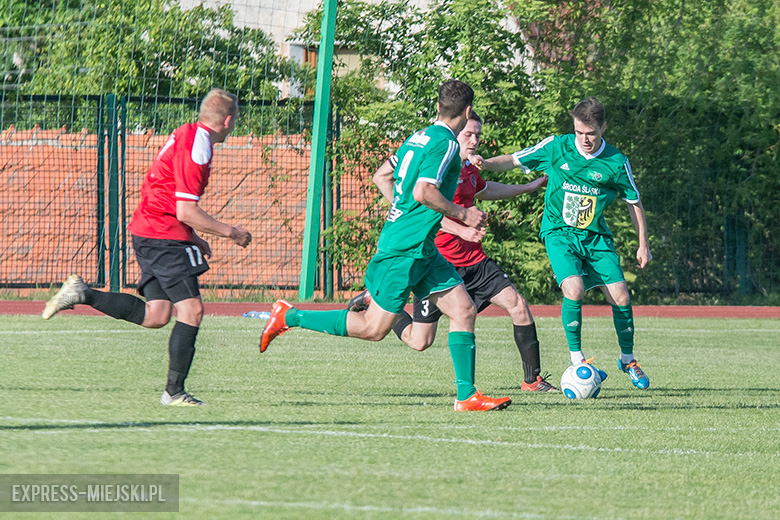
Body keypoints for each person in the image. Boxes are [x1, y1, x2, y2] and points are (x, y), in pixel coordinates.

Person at [260, 80, 511, 411]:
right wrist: (463, 213)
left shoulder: (417, 138)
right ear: (467, 112)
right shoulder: (447, 145)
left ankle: (466, 396)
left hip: (422, 249)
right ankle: (290, 316)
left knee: (463, 310)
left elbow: (384, 175)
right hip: (403, 251)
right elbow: (423, 192)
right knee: (372, 329)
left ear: (438, 107)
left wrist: (401, 211)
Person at [42, 88, 252, 406]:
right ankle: (174, 393)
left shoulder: (186, 134)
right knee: (192, 311)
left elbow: (166, 192)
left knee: (157, 315)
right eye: (235, 120)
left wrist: (193, 237)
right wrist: (231, 232)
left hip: (149, 229)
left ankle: (82, 293)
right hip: (164, 235)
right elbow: (185, 211)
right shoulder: (199, 149)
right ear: (227, 120)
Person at [350, 111, 557, 392]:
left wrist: (527, 187)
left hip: (476, 262)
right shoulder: (438, 168)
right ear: (454, 132)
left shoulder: (469, 169)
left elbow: (484, 189)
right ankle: (377, 302)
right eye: (468, 134)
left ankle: (531, 381)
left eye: (478, 135)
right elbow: (424, 207)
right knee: (419, 341)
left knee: (518, 305)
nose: (474, 141)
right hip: (440, 265)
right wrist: (461, 229)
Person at [477, 96, 651, 389]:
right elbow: (514, 159)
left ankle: (627, 359)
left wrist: (642, 244)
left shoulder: (616, 162)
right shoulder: (556, 147)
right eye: (579, 132)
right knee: (574, 288)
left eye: (591, 133)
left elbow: (634, 202)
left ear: (603, 128)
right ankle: (577, 359)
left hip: (595, 237)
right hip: (559, 233)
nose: (584, 139)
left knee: (621, 296)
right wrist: (484, 163)